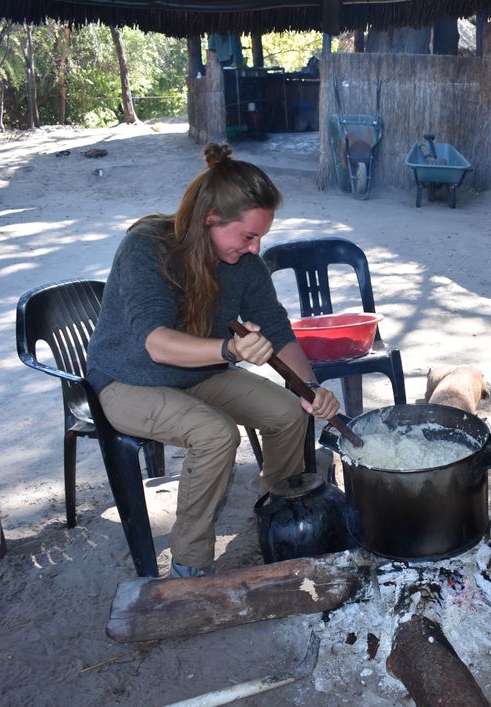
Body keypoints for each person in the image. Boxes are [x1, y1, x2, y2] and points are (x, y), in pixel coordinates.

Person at [86, 143, 339, 578]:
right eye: (248, 236)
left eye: (260, 236)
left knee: (288, 412)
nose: (257, 249)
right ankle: (190, 564)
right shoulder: (147, 247)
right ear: (210, 219)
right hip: (127, 381)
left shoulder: (243, 265)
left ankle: (277, 513)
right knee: (215, 434)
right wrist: (230, 350)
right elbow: (156, 344)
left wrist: (309, 387)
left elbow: (278, 332)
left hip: (197, 373)